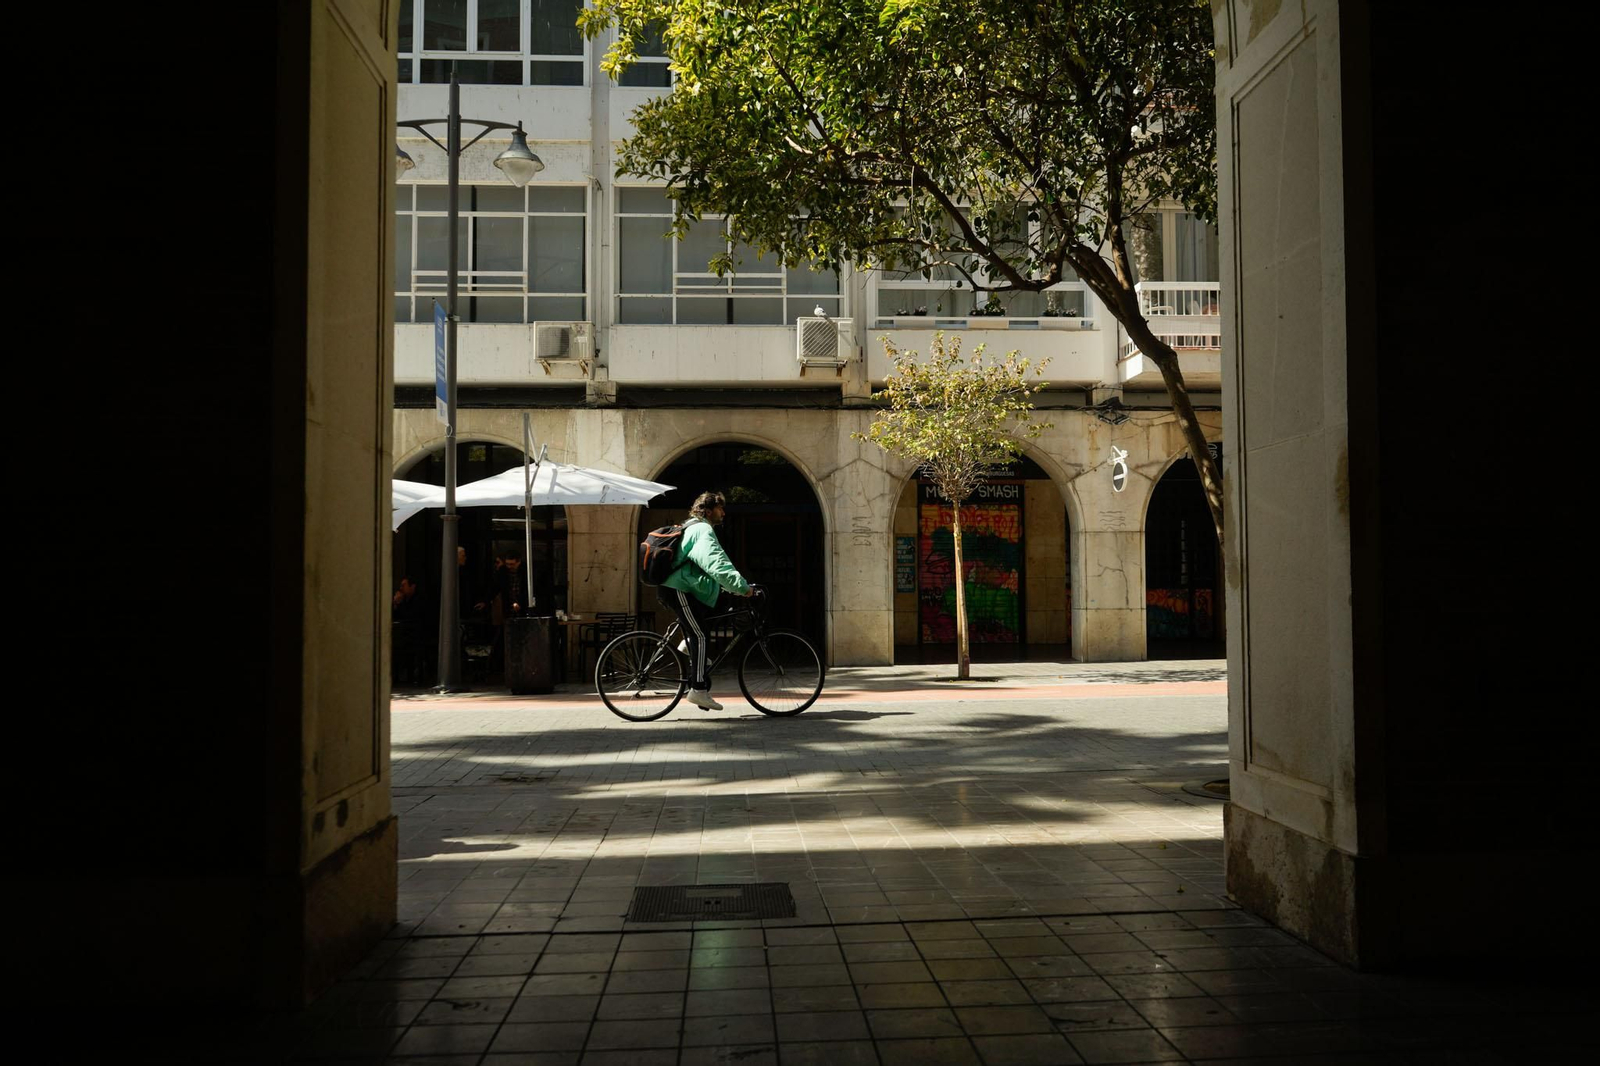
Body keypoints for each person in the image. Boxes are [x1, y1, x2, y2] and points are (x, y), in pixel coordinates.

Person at [658, 491, 752, 710]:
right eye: (721, 508)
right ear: (708, 511)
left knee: (712, 613)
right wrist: (742, 587)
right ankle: (698, 690)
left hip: (682, 588)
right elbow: (715, 563)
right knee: (700, 635)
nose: (724, 513)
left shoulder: (692, 526)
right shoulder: (702, 529)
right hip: (678, 589)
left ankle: (689, 646)